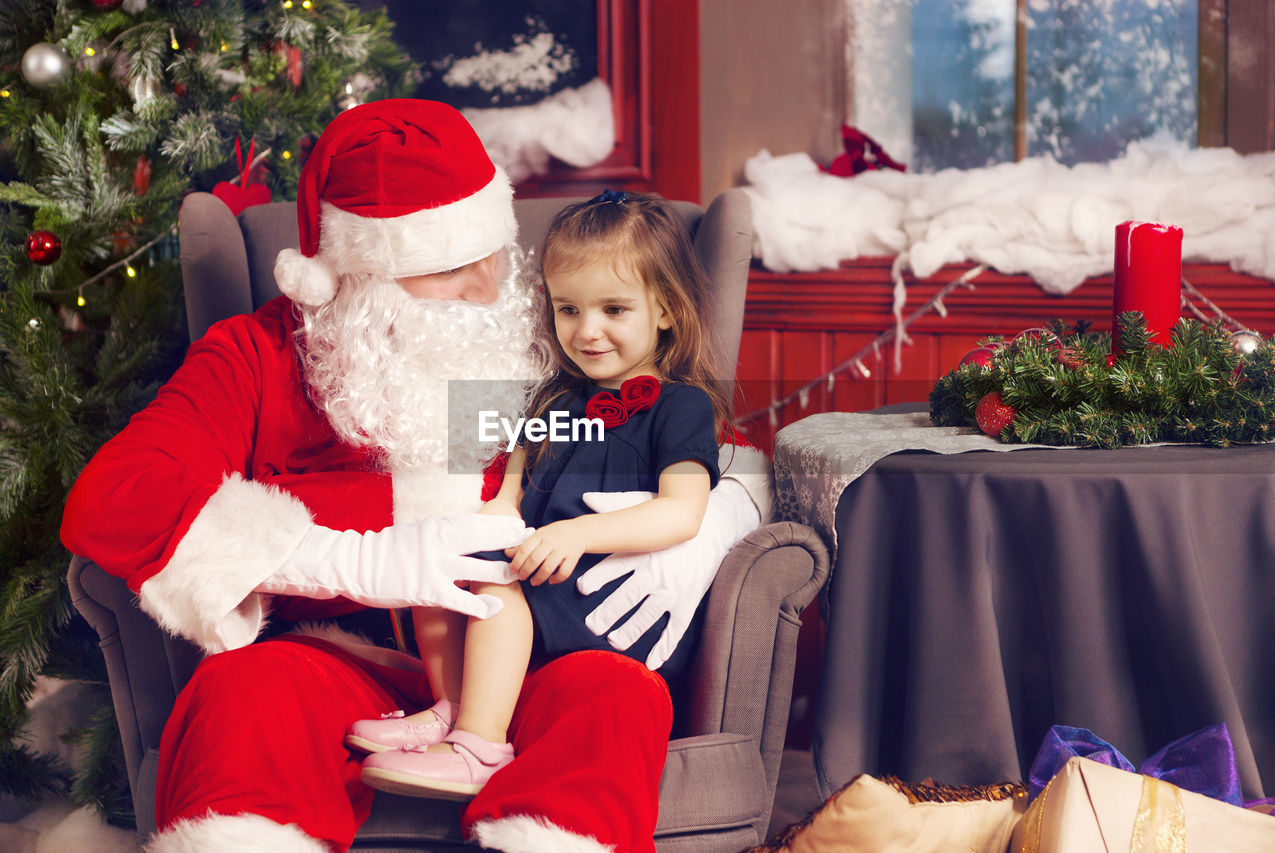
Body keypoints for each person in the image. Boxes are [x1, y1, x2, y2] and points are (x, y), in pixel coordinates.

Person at [59, 99, 769, 853]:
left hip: (521, 659)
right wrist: (359, 559)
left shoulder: (535, 338)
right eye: (445, 265)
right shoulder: (259, 359)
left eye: (491, 250)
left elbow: (696, 432)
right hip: (341, 658)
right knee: (241, 696)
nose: (486, 285)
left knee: (615, 693)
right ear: (357, 277)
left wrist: (721, 515)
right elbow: (117, 498)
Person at [346, 191, 732, 799]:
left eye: (613, 309)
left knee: (497, 586)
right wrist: (488, 523)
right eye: (569, 309)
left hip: (606, 599)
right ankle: (453, 705)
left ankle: (478, 747)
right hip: (541, 573)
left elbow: (682, 512)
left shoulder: (680, 406)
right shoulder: (552, 397)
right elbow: (511, 487)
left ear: (664, 311)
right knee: (443, 570)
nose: (588, 330)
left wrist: (576, 534)